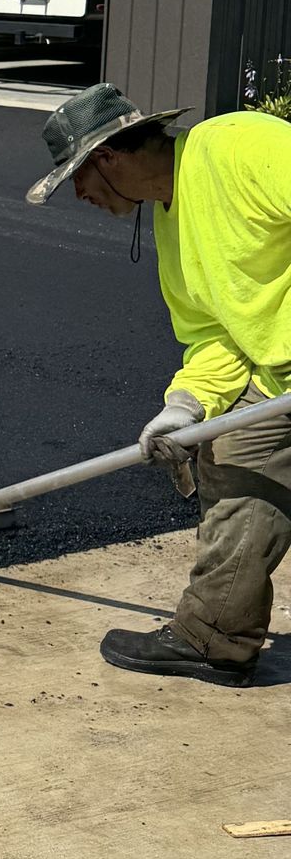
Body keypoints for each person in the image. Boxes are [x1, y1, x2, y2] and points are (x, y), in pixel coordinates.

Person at [28, 81, 291, 686]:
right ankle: (214, 638)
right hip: (277, 377)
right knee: (235, 469)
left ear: (108, 157)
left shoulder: (236, 147)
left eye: (78, 179)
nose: (81, 195)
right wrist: (188, 403)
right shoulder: (173, 227)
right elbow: (215, 338)